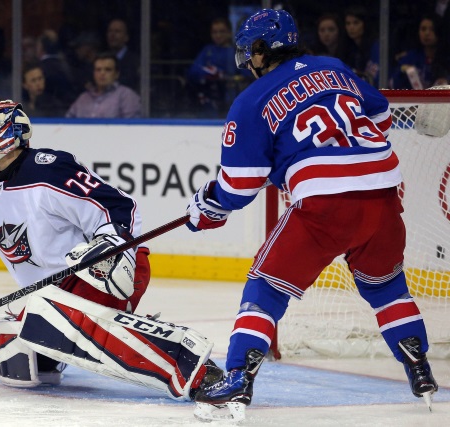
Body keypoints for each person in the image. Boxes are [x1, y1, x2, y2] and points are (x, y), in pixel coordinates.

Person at [186, 9, 439, 423]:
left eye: (250, 53)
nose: (248, 62)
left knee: (266, 285)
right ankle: (419, 369)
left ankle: (237, 379)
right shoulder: (334, 67)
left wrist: (205, 205)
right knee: (388, 287)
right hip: (385, 197)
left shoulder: (251, 100)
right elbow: (379, 116)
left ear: (263, 50)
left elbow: (236, 189)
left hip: (325, 205)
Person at [0, 100, 216, 401]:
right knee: (11, 356)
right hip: (54, 292)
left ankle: (190, 364)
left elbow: (119, 207)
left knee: (46, 318)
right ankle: (74, 341)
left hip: (103, 271)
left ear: (8, 135)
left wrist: (110, 246)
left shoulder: (49, 168)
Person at [186, 17, 244, 118]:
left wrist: (225, 76)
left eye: (222, 31)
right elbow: (193, 71)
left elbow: (246, 76)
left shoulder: (237, 52)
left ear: (230, 32)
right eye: (214, 32)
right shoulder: (208, 50)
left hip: (232, 101)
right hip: (209, 102)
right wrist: (208, 73)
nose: (218, 35)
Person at [66, 52, 140, 118]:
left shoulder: (126, 96)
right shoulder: (83, 98)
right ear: (93, 73)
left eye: (108, 69)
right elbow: (65, 124)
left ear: (116, 74)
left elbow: (132, 128)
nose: (102, 73)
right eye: (98, 70)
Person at [391, 15, 450, 89]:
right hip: (413, 99)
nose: (427, 33)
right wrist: (402, 70)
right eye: (423, 29)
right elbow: (393, 83)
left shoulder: (447, 57)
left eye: (432, 29)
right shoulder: (410, 57)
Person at [340, 6, 380, 87]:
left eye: (356, 23)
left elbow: (375, 78)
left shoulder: (376, 47)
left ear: (364, 24)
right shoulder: (347, 48)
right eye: (348, 23)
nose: (351, 27)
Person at [105, 18, 140, 92]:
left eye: (117, 31)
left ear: (126, 37)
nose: (112, 35)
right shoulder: (102, 58)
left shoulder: (135, 61)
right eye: (110, 31)